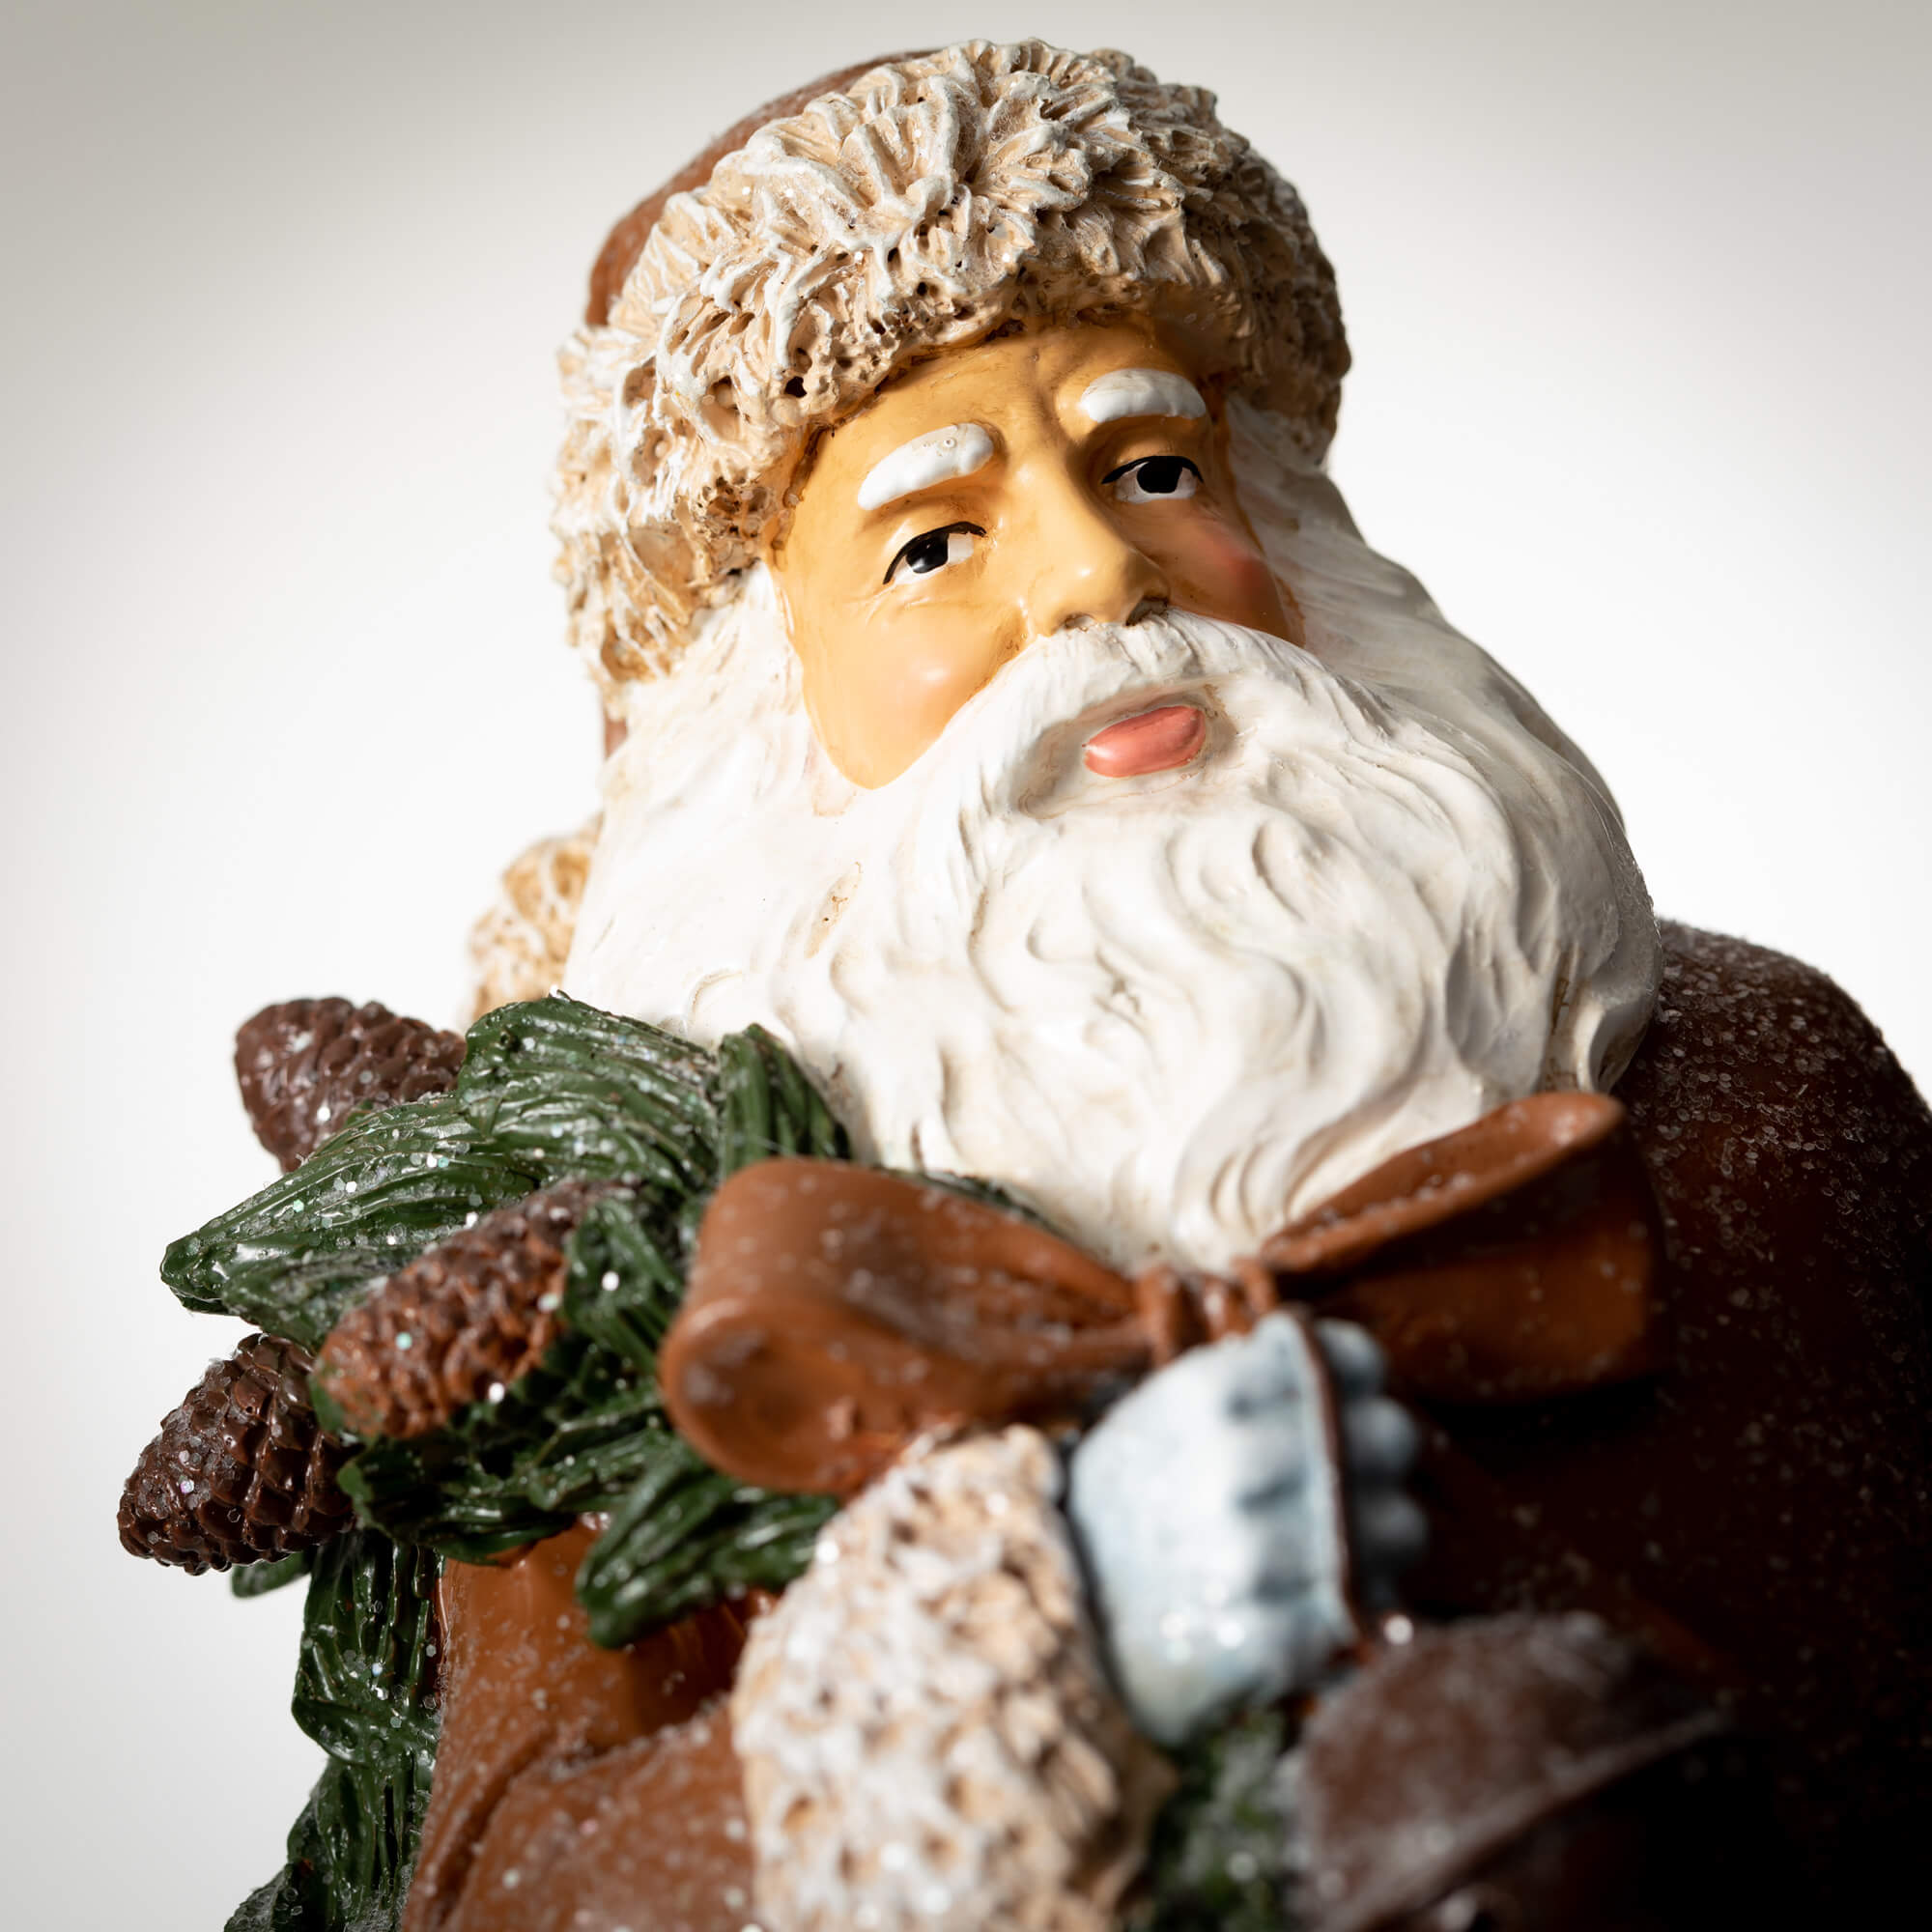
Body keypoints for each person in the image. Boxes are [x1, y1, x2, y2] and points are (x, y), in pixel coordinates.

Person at [128, 41, 1928, 1931]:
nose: (1091, 573)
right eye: (933, 542)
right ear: (766, 708)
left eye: (1152, 468)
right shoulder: (660, 1281)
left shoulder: (1764, 1075)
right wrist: (1056, 1637)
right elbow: (516, 1879)